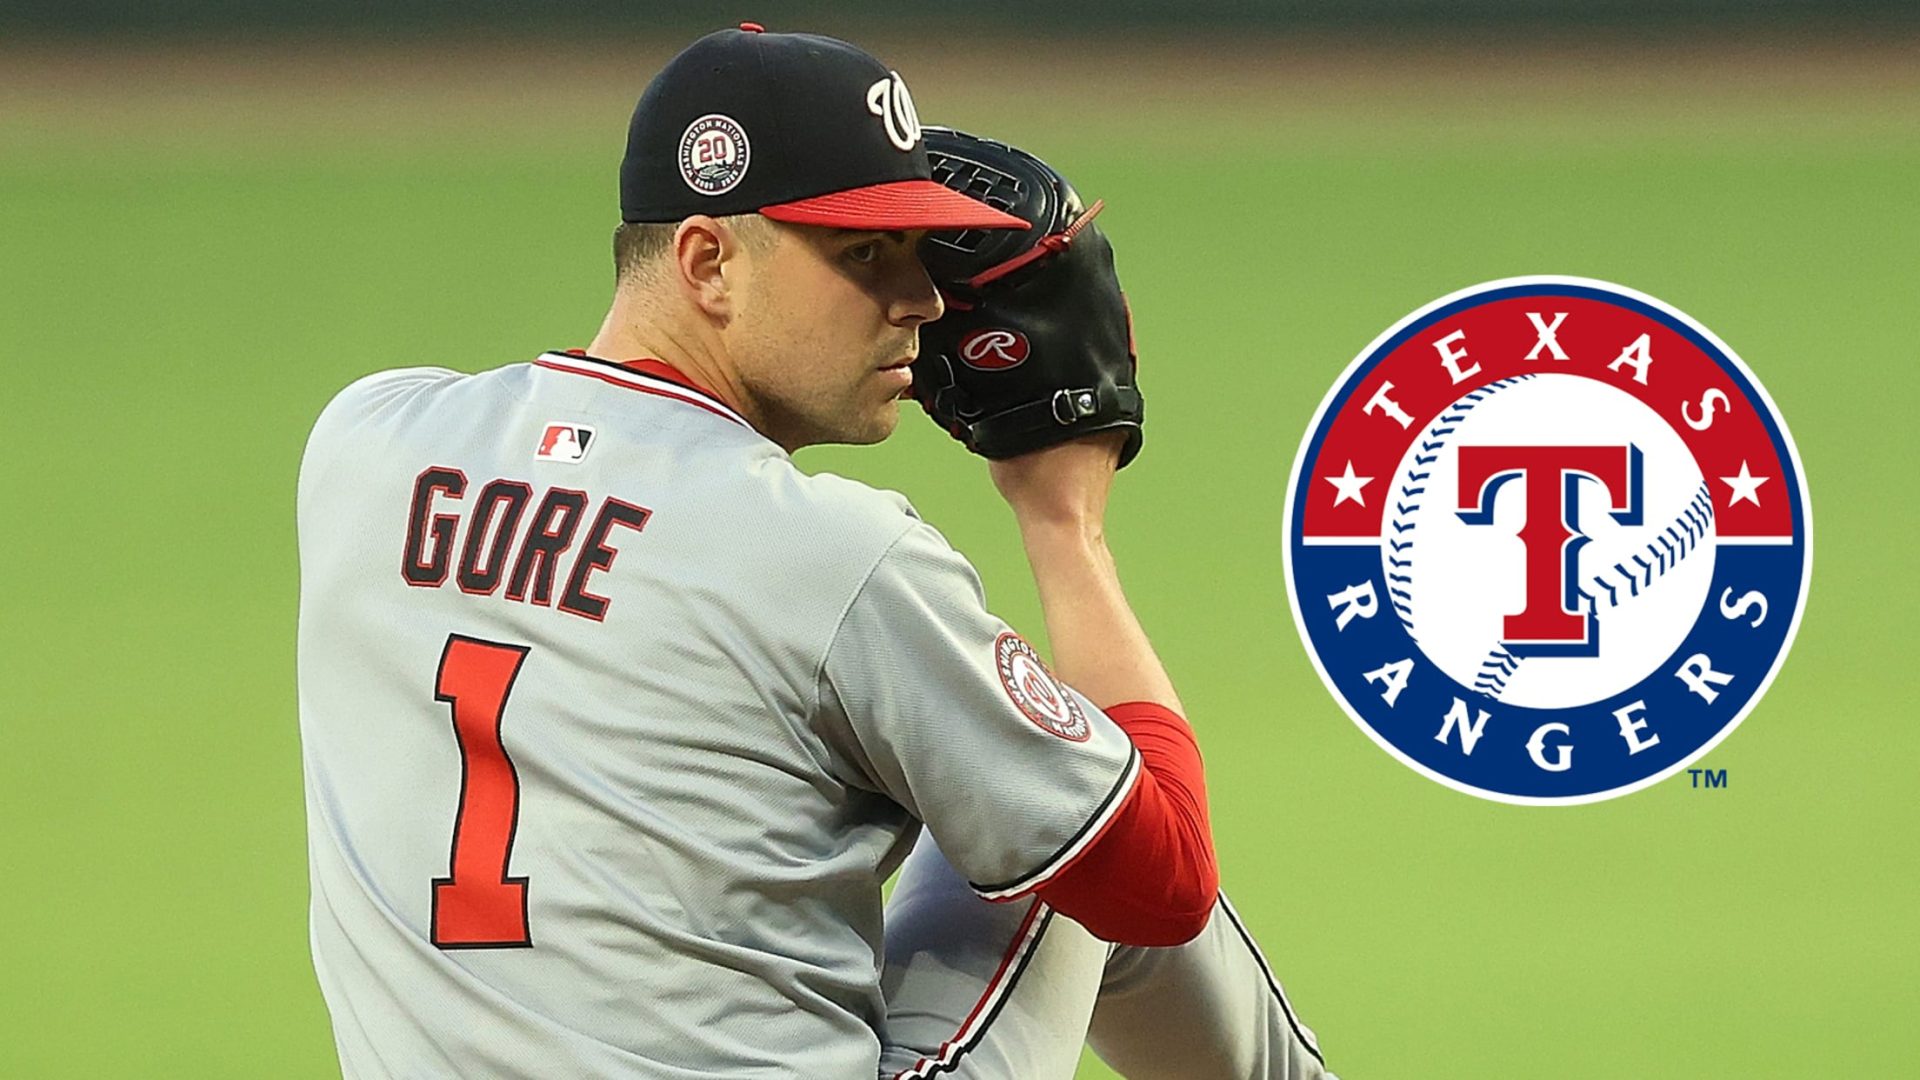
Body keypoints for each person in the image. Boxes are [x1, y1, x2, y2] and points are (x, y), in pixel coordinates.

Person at [297, 23, 1330, 1078]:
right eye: (863, 255)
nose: (924, 302)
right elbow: (1162, 880)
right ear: (707, 263)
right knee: (1063, 812)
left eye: (920, 251)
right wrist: (1062, 518)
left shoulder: (362, 447)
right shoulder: (837, 559)